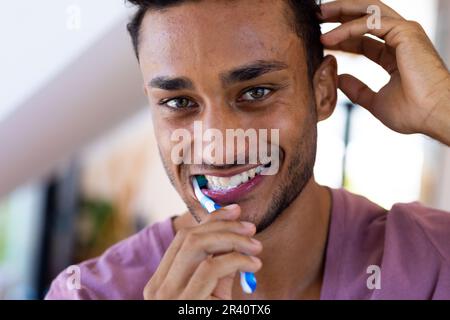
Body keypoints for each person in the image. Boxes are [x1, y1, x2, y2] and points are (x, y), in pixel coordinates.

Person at [46, 0, 450, 300]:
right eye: (178, 102)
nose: (218, 145)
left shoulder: (432, 264)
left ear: (323, 91)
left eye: (256, 92)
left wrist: (443, 109)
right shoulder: (87, 294)